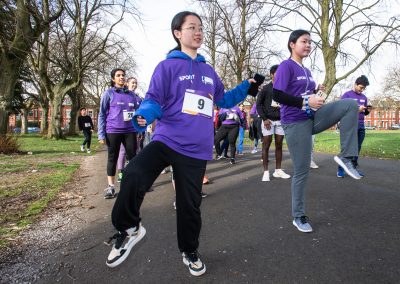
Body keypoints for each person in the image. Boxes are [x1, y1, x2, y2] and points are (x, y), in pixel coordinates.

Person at [105, 11, 255, 276]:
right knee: (134, 173)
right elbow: (153, 98)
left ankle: (189, 250)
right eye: (191, 27)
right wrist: (144, 114)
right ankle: (129, 228)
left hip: (196, 148)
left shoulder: (209, 71)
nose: (198, 32)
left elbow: (224, 99)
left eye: (200, 28)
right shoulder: (167, 67)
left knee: (189, 205)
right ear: (178, 33)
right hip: (167, 139)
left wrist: (247, 86)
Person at [273, 29, 362, 233]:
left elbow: (306, 96)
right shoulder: (286, 66)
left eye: (310, 43)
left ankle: (346, 156)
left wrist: (315, 92)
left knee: (349, 105)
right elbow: (278, 94)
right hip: (295, 123)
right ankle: (299, 216)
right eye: (304, 41)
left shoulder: (307, 71)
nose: (308, 45)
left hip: (312, 116)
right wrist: (306, 100)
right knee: (302, 170)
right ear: (292, 44)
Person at [98, 69, 141, 199]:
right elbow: (102, 113)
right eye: (118, 76)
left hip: (130, 131)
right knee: (113, 158)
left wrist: (139, 129)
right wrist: (101, 134)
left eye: (123, 75)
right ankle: (111, 187)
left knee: (132, 158)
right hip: (113, 131)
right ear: (113, 79)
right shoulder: (109, 93)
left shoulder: (132, 95)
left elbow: (138, 114)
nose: (121, 77)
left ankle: (132, 185)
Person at [256, 64, 290, 182]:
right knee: (266, 145)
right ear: (271, 74)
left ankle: (278, 170)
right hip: (268, 121)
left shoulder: (284, 88)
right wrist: (264, 118)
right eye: (277, 73)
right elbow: (258, 105)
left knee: (279, 144)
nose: (280, 75)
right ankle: (266, 172)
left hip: (280, 121)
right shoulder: (265, 89)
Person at [337, 75, 371, 178]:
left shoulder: (364, 97)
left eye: (364, 88)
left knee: (357, 149)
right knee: (347, 148)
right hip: (350, 125)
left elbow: (364, 113)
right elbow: (341, 110)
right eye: (361, 87)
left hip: (361, 125)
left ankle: (353, 169)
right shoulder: (347, 95)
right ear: (355, 84)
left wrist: (367, 111)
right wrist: (356, 109)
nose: (362, 90)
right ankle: (340, 169)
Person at [116, 77, 142, 182]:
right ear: (127, 84)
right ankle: (121, 173)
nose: (134, 84)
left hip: (135, 128)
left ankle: (133, 173)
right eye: (132, 83)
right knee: (122, 150)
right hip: (124, 128)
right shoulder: (122, 95)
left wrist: (140, 130)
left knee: (136, 151)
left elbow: (140, 114)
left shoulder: (138, 99)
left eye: (136, 83)